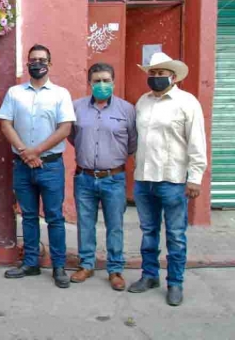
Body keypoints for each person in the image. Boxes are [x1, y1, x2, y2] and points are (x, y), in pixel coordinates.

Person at [128, 52, 207, 306]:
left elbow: (197, 143)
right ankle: (149, 275)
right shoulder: (142, 102)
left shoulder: (187, 103)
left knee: (175, 235)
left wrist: (195, 178)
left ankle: (175, 283)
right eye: (152, 73)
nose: (155, 78)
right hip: (144, 179)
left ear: (172, 77)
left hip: (173, 181)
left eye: (161, 74)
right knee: (148, 231)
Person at [0, 44, 76, 288]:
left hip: (50, 166)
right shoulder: (14, 93)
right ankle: (30, 263)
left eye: (42, 60)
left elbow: (65, 129)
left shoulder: (61, 94)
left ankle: (59, 266)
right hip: (22, 166)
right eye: (33, 59)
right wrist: (25, 152)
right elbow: (5, 123)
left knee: (54, 217)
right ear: (27, 62)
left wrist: (36, 151)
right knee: (28, 216)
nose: (37, 63)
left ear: (50, 64)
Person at [68, 62, 137, 291]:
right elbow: (72, 137)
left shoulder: (127, 110)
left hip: (113, 178)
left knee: (114, 225)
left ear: (113, 82)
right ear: (89, 83)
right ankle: (86, 264)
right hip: (84, 177)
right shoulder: (76, 108)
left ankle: (115, 269)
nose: (102, 85)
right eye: (97, 81)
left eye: (106, 80)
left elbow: (132, 143)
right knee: (85, 224)